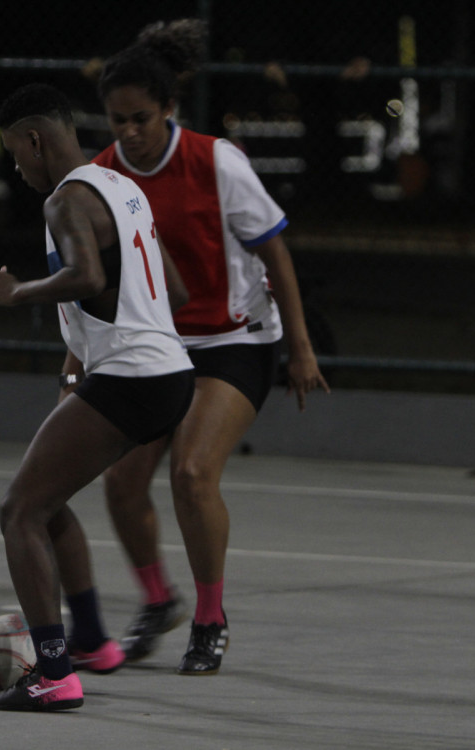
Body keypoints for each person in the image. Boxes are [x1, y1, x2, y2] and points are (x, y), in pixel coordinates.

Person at [90, 19, 330, 675]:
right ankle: (156, 600)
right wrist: (82, 353)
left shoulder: (216, 162)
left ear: (168, 109)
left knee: (192, 473)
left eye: (141, 118)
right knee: (120, 482)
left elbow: (274, 251)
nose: (129, 133)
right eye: (117, 121)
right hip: (155, 345)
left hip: (234, 339)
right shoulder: (103, 176)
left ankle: (209, 616)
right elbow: (97, 275)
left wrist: (302, 348)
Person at [0, 83, 194, 711]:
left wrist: (16, 294)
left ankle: (54, 674)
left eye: (15, 155)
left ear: (35, 139)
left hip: (132, 376)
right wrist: (86, 353)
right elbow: (173, 290)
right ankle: (93, 640)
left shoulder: (66, 198)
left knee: (18, 511)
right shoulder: (124, 189)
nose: (17, 168)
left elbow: (89, 277)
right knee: (45, 503)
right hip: (165, 371)